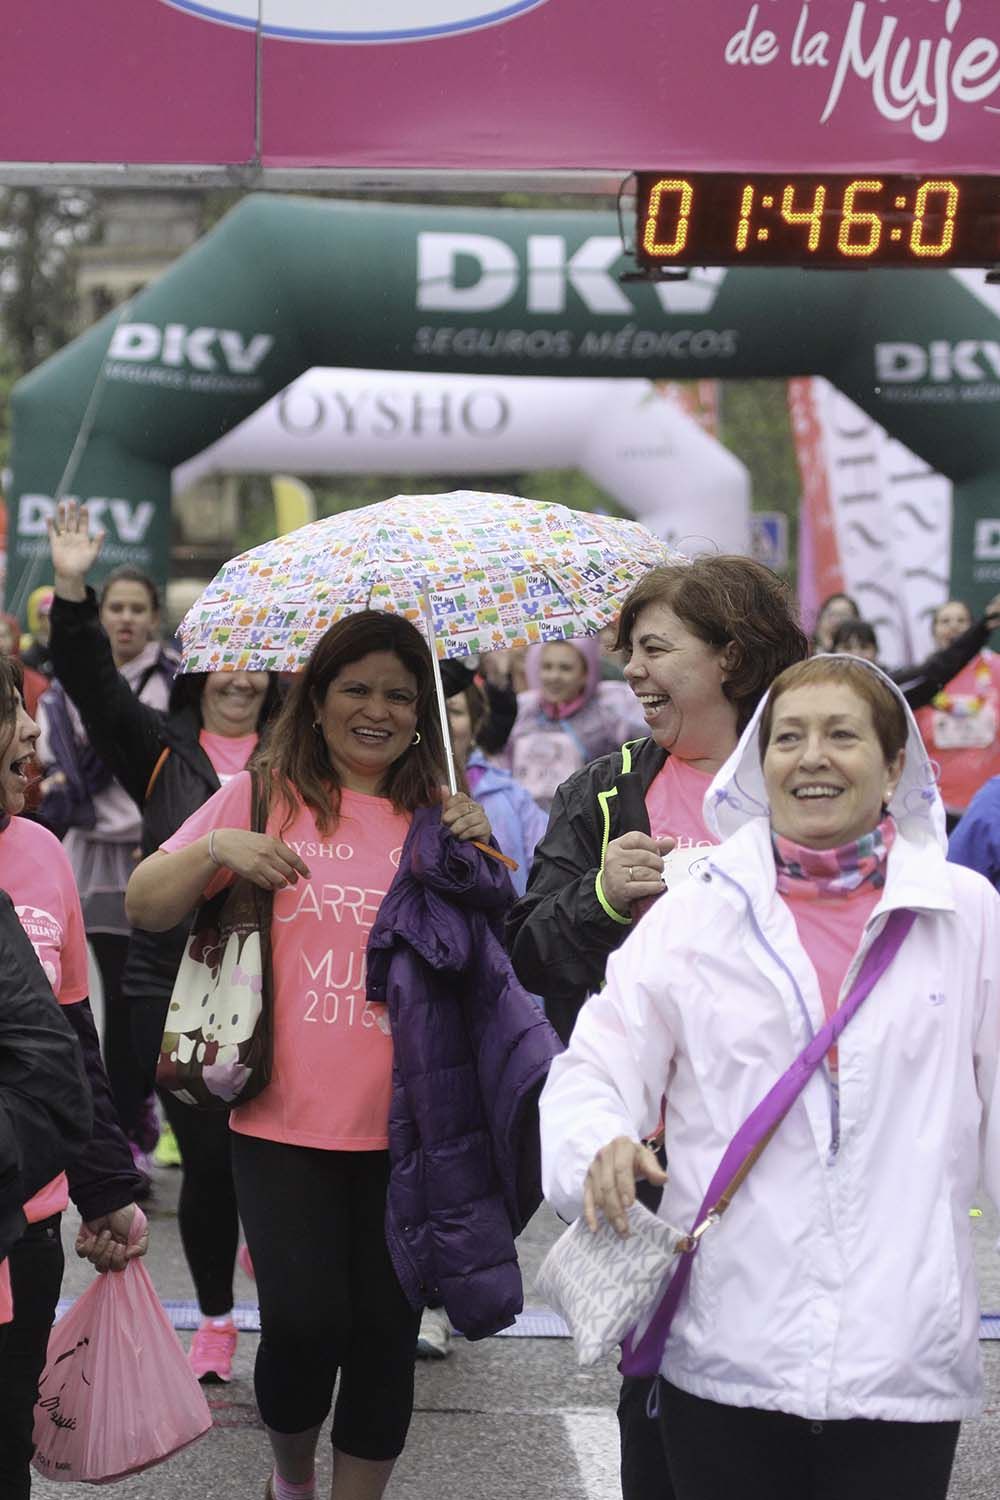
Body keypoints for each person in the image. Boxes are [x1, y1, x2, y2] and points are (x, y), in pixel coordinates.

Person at [540, 654, 1000, 1500]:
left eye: (842, 735)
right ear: (761, 761)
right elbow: (597, 1064)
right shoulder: (698, 912)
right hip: (727, 1348)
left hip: (900, 1353)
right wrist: (596, 1143)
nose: (812, 756)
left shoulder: (965, 915)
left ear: (896, 764)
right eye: (788, 736)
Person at [125, 609, 555, 1500]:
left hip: (415, 1130)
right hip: (282, 1124)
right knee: (303, 1325)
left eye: (400, 695)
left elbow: (494, 961)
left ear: (422, 714)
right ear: (315, 700)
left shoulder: (443, 815)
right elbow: (144, 906)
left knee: (385, 1338)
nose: (379, 710)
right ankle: (291, 1479)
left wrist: (477, 853)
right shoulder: (258, 793)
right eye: (356, 689)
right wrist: (217, 846)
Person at [507, 555, 809, 1500]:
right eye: (627, 653)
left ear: (731, 655)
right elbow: (526, 947)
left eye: (655, 649)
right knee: (661, 1409)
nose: (630, 672)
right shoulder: (605, 793)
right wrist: (601, 894)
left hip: (786, 1138)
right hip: (653, 1158)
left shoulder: (810, 777)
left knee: (783, 1387)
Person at [44, 502, 285, 1385]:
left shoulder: (301, 753)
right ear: (196, 671)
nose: (239, 680)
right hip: (168, 980)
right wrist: (74, 585)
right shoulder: (162, 751)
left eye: (255, 667)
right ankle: (217, 1321)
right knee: (214, 1160)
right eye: (223, 663)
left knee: (270, 1152)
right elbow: (89, 681)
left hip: (277, 982)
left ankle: (279, 1290)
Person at [0, 654, 148, 1499]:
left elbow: (69, 1041)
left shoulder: (44, 852)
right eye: (11, 713)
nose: (31, 729)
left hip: (28, 1222)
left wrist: (104, 1190)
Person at [39, 503, 179, 1176]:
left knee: (133, 1000)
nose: (125, 618)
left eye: (136, 609)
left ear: (154, 618)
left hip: (152, 855)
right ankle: (123, 1118)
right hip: (89, 853)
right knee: (99, 995)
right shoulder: (72, 684)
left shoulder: (177, 682)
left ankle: (138, 1105)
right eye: (114, 608)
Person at [503, 634, 647, 811]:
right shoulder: (522, 710)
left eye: (565, 668)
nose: (554, 676)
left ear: (586, 673)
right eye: (547, 667)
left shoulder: (608, 712)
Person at [909, 595, 1000, 829]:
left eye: (961, 620)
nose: (953, 626)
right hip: (934, 807)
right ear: (933, 631)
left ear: (974, 629)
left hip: (990, 805)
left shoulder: (997, 669)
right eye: (945, 621)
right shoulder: (922, 681)